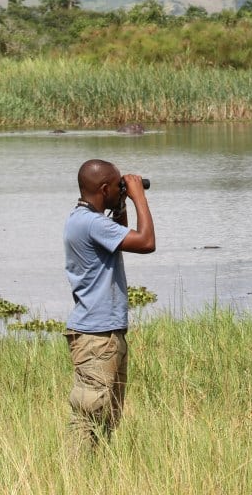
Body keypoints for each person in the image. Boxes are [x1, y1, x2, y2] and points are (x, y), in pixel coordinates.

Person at [63, 158, 156, 449]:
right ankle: (74, 478)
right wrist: (139, 196)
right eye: (118, 186)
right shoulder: (90, 224)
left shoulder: (86, 220)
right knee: (88, 418)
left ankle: (95, 477)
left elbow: (121, 233)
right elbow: (145, 242)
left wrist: (121, 203)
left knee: (106, 419)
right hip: (97, 338)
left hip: (104, 334)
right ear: (104, 188)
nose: (123, 189)